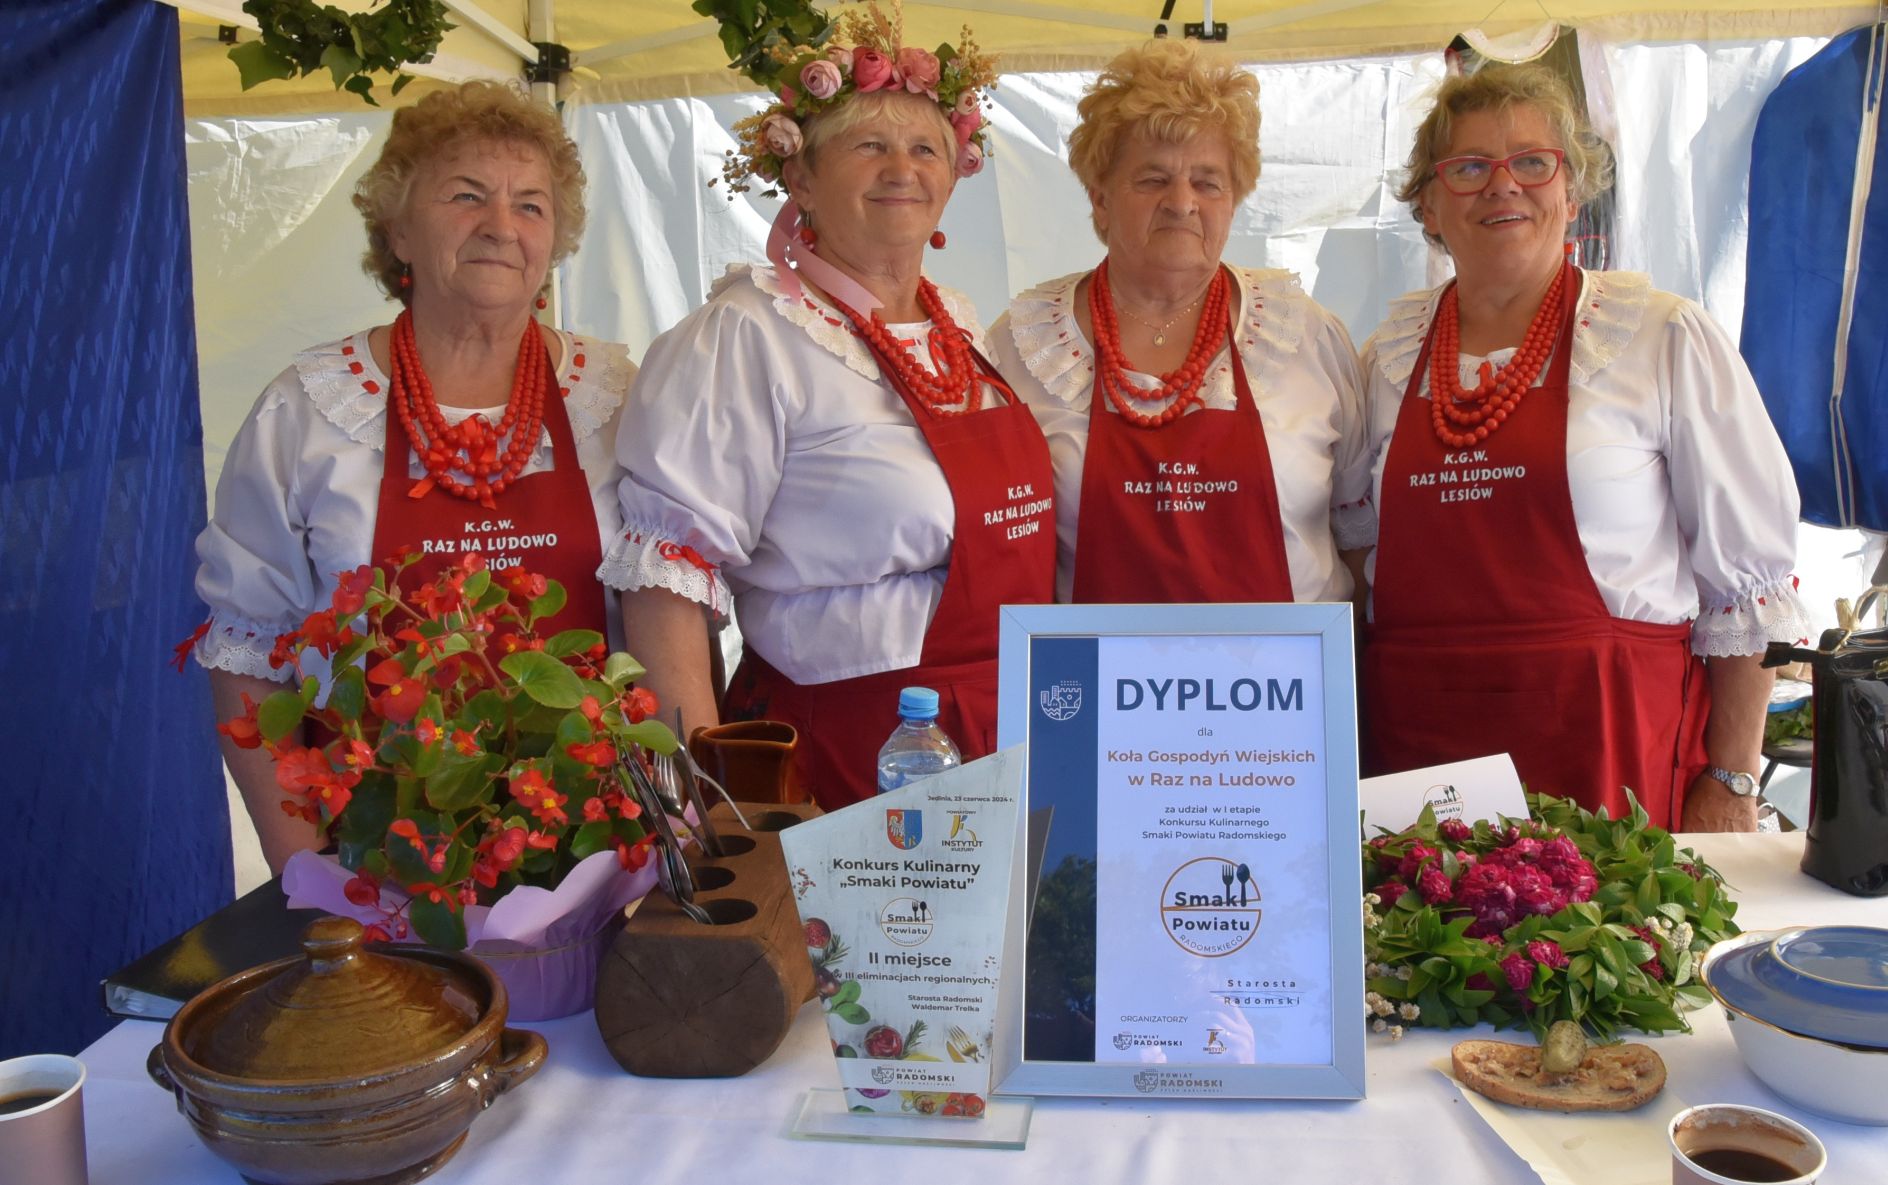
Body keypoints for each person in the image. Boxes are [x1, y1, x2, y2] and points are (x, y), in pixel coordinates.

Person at [603, 13, 1053, 809]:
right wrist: (709, 812)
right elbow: (666, 583)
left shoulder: (956, 324)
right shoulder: (745, 334)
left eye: (925, 149)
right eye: (868, 146)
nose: (901, 169)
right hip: (850, 749)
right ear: (802, 180)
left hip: (997, 728)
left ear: (952, 179)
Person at [191, 82, 635, 870]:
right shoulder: (310, 409)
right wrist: (307, 876)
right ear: (396, 229)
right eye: (466, 195)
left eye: (531, 205)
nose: (501, 225)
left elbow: (670, 625)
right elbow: (248, 652)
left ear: (557, 239)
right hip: (377, 860)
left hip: (598, 844)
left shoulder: (616, 398)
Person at [1358, 64, 1808, 831]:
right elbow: (1352, 560)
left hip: (1607, 753)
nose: (1503, 185)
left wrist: (1732, 778)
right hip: (1420, 768)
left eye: (1533, 162)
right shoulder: (1386, 360)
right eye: (1468, 168)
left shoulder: (1659, 337)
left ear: (1572, 192)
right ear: (1428, 205)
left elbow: (1745, 588)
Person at [988, 40, 1371, 605]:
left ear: (1233, 200)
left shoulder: (1305, 334)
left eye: (1208, 182)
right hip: (1097, 663)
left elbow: (1358, 535)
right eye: (1152, 179)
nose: (1181, 202)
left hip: (1280, 665)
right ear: (1100, 199)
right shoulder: (1023, 345)